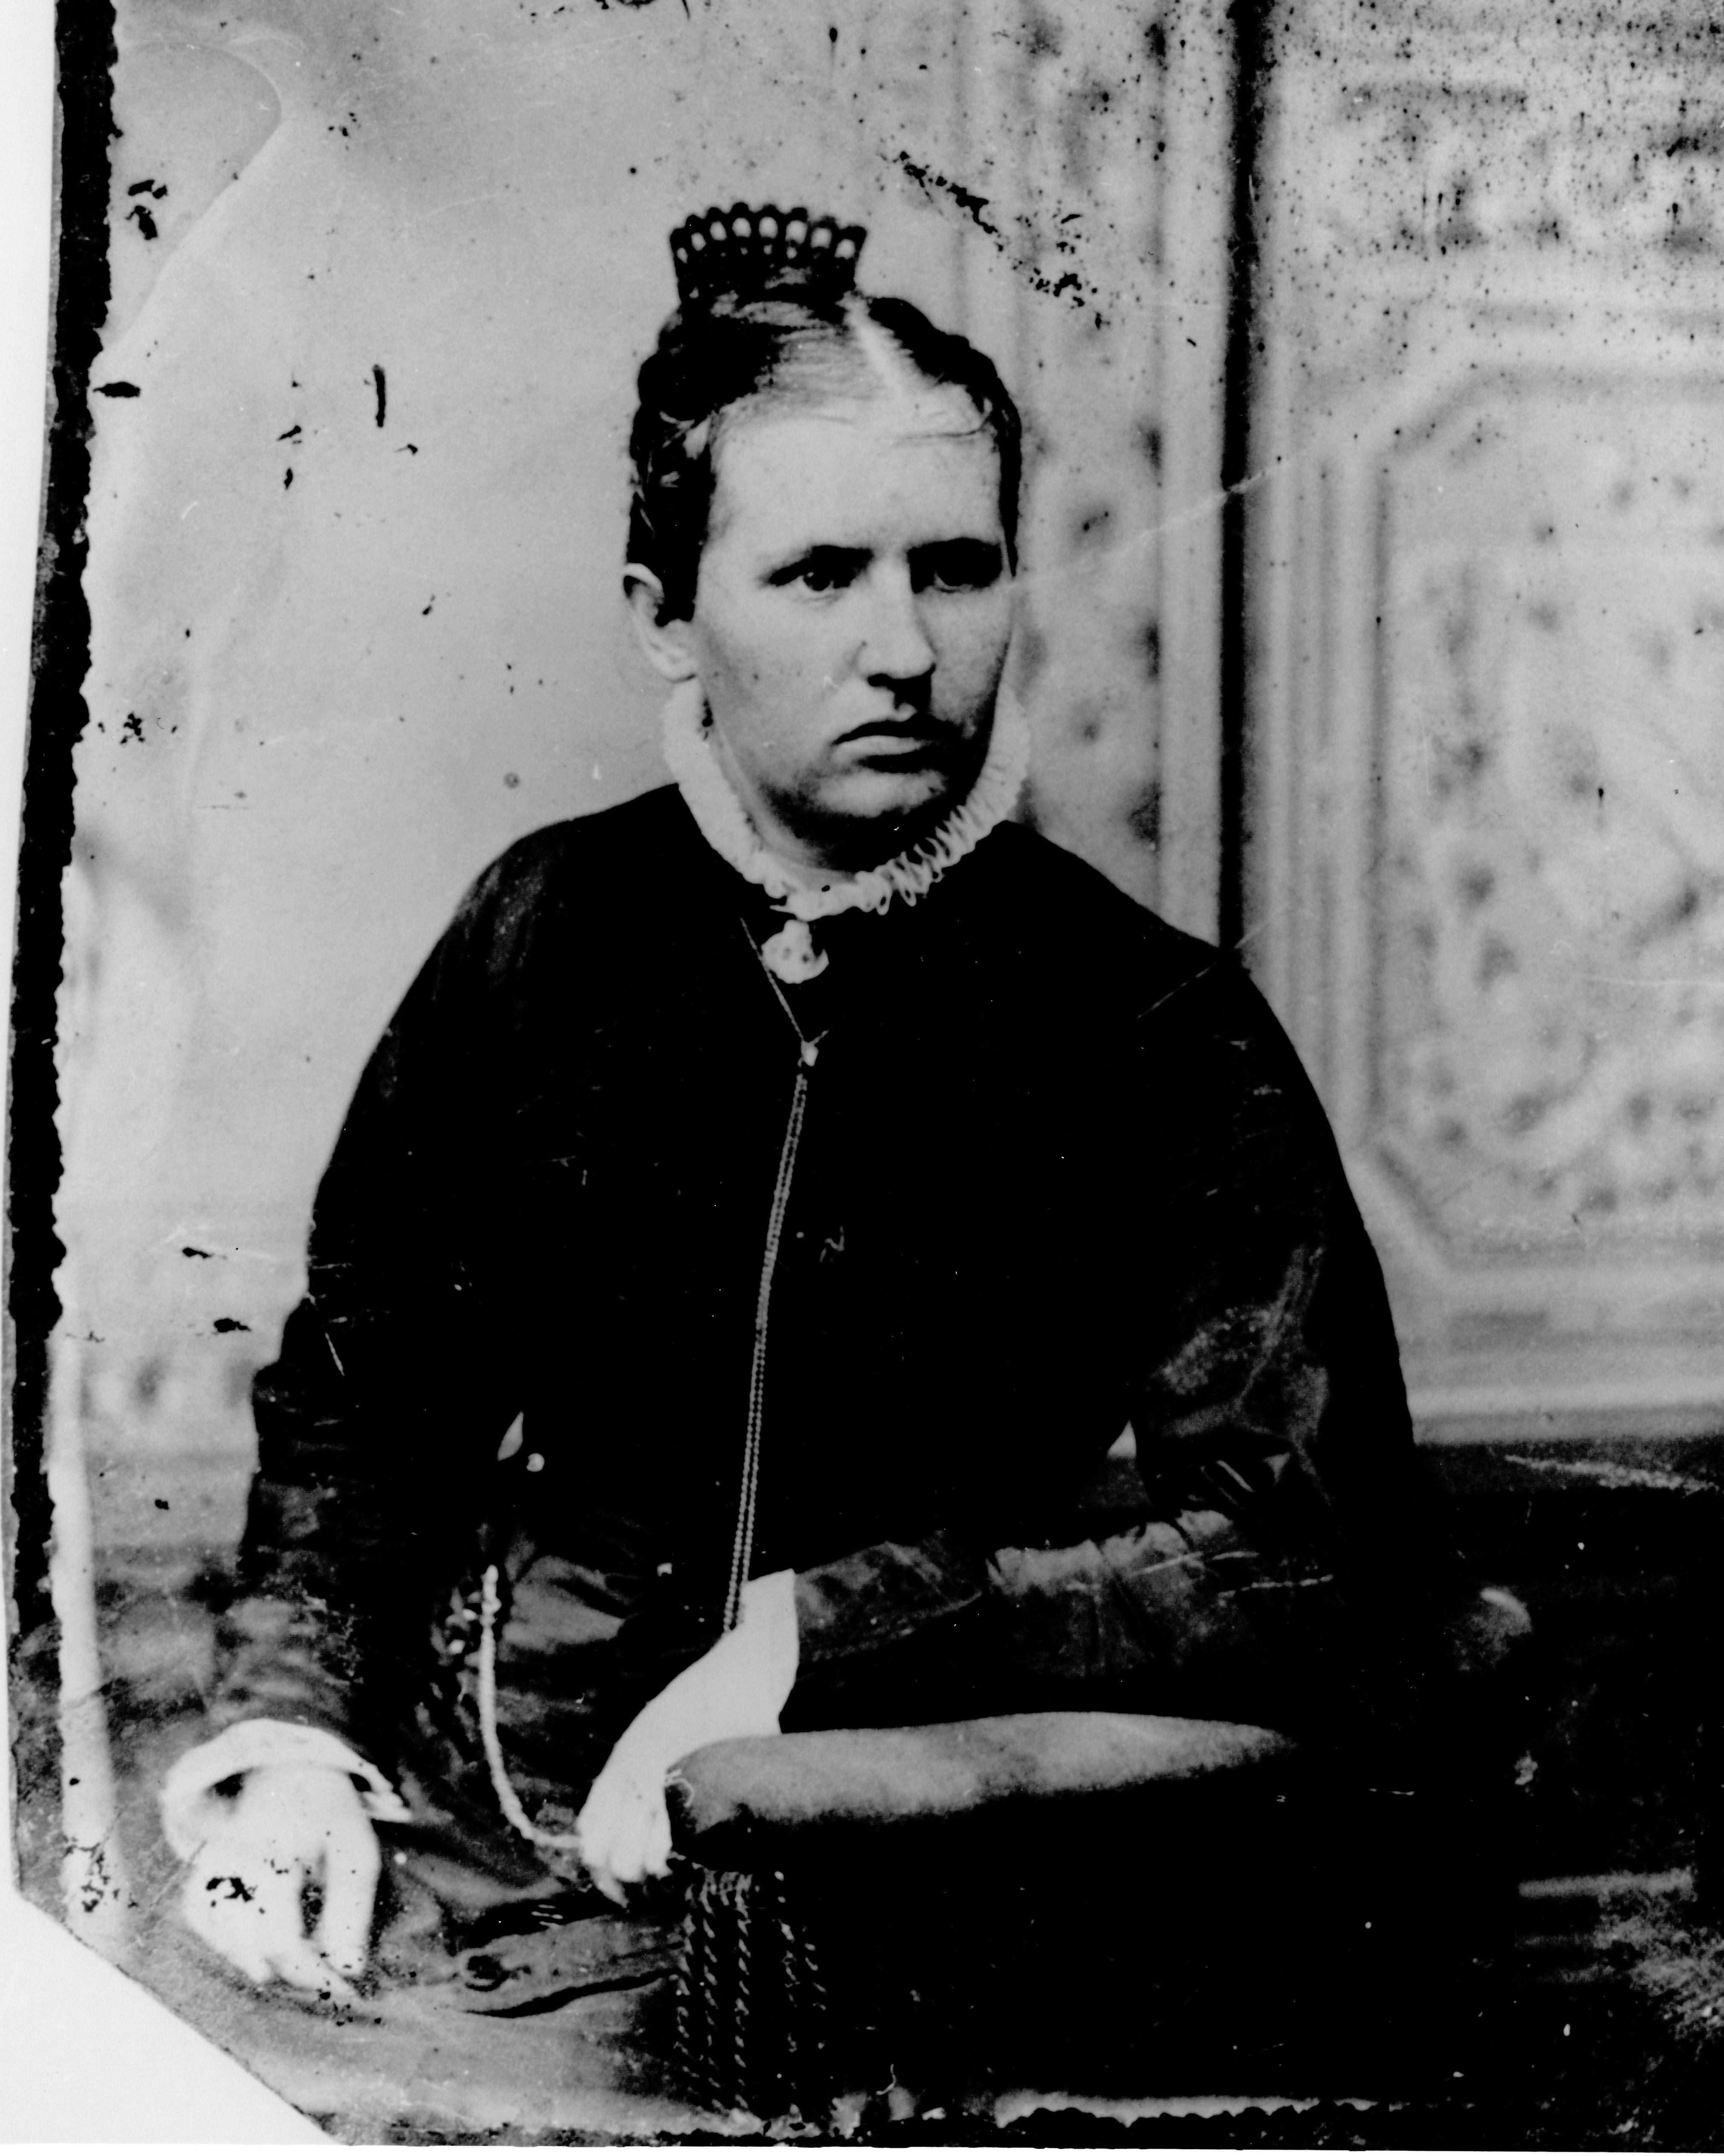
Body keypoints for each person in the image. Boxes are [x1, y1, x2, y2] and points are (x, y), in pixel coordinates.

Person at [158, 202, 1474, 2004]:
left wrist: (821, 1635)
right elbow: (365, 1412)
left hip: (902, 1839)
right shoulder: (542, 931)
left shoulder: (1150, 1020)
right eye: (817, 574)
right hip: (472, 1813)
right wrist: (293, 1743)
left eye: (957, 566)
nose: (909, 648)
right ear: (666, 617)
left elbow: (1302, 1537)